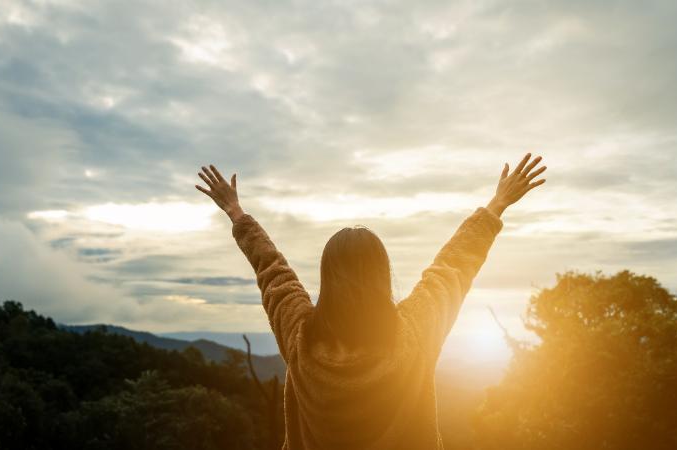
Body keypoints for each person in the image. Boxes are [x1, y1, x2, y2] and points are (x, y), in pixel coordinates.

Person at [195, 154, 546, 450]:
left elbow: (273, 271)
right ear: (382, 277)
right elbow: (451, 268)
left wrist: (237, 213)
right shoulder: (413, 332)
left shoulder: (300, 337)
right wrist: (497, 205)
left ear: (327, 278)